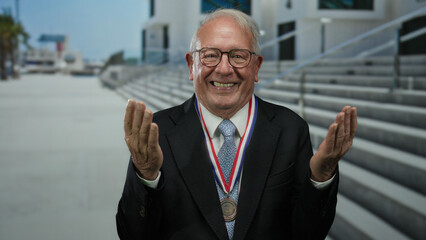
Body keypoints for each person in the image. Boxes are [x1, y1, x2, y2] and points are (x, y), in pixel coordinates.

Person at [116, 9, 357, 240]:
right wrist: (146, 175)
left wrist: (320, 177)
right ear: (191, 65)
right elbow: (132, 235)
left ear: (256, 67)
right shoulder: (157, 132)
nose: (223, 69)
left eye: (238, 56)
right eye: (210, 55)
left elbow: (308, 235)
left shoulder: (290, 129)